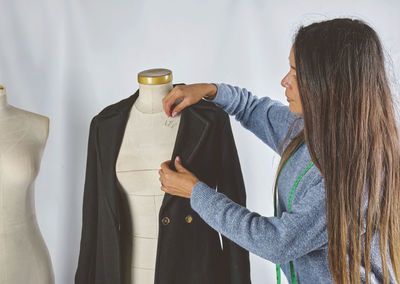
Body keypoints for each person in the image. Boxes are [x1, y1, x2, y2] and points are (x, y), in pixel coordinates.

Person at [158, 18, 400, 284]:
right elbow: (253, 109)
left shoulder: (353, 174)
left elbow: (276, 242)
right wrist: (211, 91)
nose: (285, 81)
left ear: (330, 83)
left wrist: (196, 192)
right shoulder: (315, 132)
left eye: (297, 74)